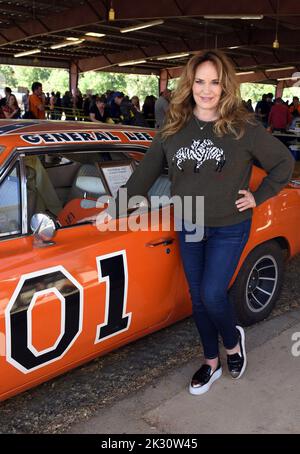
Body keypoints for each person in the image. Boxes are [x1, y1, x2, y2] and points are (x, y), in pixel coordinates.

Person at [98, 49, 294, 396]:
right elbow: (144, 175)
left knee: (212, 293)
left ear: (225, 86)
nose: (207, 90)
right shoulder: (173, 128)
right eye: (200, 81)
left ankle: (232, 343)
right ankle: (211, 361)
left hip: (230, 225)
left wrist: (257, 196)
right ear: (189, 84)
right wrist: (115, 209)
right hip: (190, 222)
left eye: (214, 82)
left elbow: (281, 163)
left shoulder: (242, 128)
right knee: (198, 299)